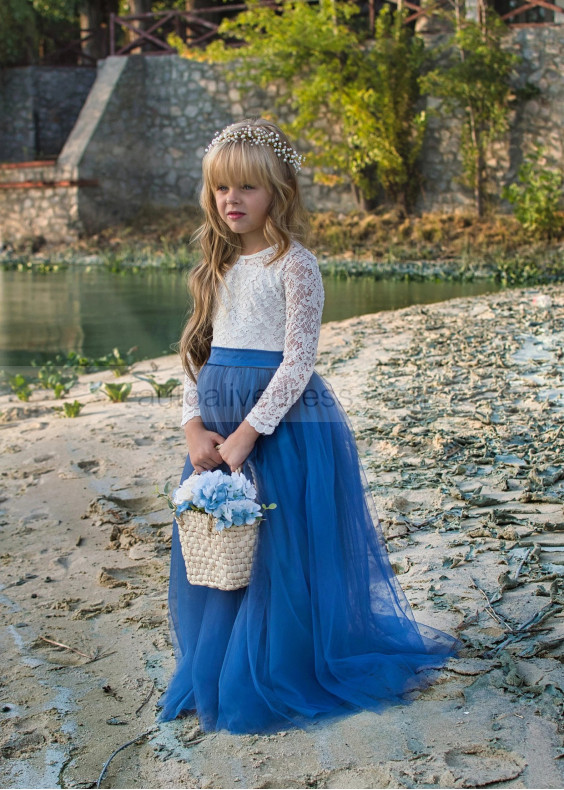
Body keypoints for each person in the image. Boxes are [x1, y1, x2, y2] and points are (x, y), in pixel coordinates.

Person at [158, 118, 460, 735]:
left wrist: (249, 434)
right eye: (220, 189)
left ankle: (274, 667)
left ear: (278, 191)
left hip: (280, 423)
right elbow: (196, 352)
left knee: (276, 543)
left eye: (246, 188)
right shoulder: (214, 265)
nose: (231, 201)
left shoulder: (294, 265)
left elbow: (298, 361)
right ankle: (217, 664)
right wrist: (193, 426)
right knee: (223, 546)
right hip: (215, 418)